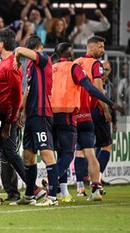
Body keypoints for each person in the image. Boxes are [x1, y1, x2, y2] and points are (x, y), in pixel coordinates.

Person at [50, 42, 124, 202]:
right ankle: (94, 188)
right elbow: (93, 88)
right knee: (89, 152)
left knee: (67, 152)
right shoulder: (78, 68)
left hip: (53, 114)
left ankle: (73, 188)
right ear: (70, 54)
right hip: (80, 115)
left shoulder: (54, 67)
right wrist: (110, 105)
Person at [0, 28, 46, 203]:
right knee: (0, 153)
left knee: (9, 152)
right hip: (0, 115)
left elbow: (15, 96)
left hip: (5, 116)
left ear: (1, 43)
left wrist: (9, 121)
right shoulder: (2, 63)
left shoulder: (11, 65)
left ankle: (34, 189)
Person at [74, 36, 124, 200]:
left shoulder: (76, 62)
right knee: (106, 146)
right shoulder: (96, 65)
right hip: (94, 110)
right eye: (100, 47)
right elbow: (97, 89)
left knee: (80, 150)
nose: (102, 50)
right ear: (92, 47)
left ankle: (80, 186)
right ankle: (97, 181)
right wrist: (106, 109)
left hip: (78, 111)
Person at [12, 34, 58, 206]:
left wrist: (17, 57)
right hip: (31, 115)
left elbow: (19, 50)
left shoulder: (44, 59)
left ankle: (52, 197)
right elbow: (27, 90)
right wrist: (20, 111)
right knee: (28, 157)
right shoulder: (31, 66)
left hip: (42, 113)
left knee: (47, 154)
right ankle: (30, 196)